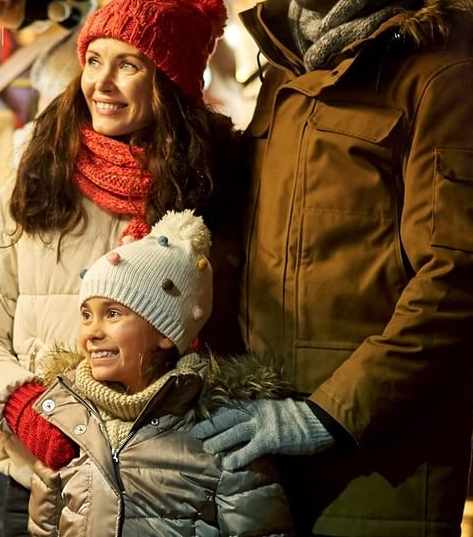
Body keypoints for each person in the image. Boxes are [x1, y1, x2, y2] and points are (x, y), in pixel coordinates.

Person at [192, 0, 473, 535]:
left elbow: (456, 282)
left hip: (383, 464)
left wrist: (328, 414)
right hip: (263, 446)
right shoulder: (286, 77)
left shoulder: (448, 83)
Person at [0, 0, 238, 537]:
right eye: (95, 59)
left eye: (129, 65)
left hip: (161, 489)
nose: (101, 83)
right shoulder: (38, 171)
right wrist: (24, 406)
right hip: (36, 479)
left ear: (169, 81)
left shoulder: (212, 187)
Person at [23, 210, 294, 536]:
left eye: (112, 313)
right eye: (86, 314)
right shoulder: (65, 421)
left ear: (165, 332)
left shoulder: (222, 435)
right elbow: (45, 527)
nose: (91, 332)